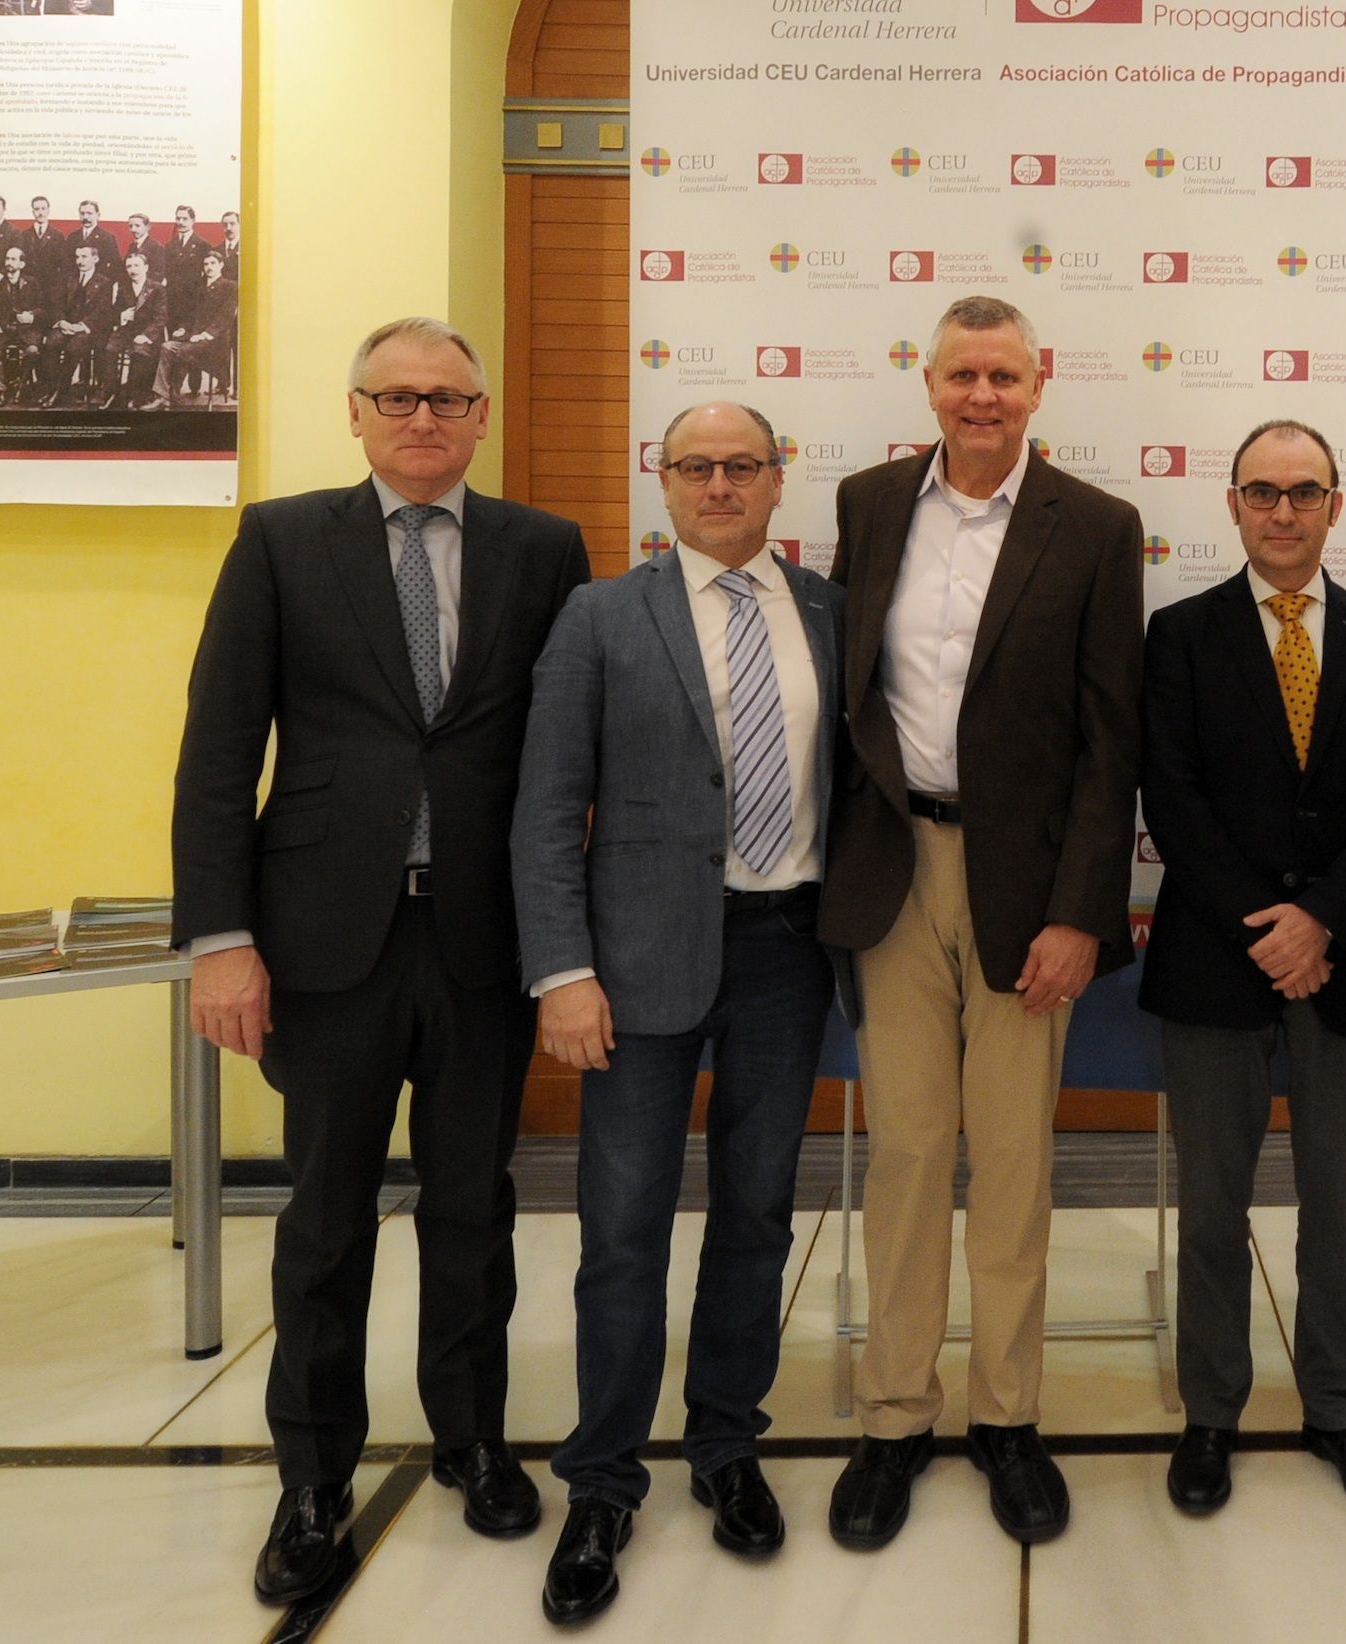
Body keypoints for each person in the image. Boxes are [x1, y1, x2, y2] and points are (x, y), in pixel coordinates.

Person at [171, 316, 589, 1607]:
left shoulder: (543, 549)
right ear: (353, 412)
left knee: (474, 1210)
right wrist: (222, 941)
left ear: (479, 418)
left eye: (448, 400)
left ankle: (469, 1437)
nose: (423, 420)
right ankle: (313, 1477)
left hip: (480, 940)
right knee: (326, 1221)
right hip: (323, 945)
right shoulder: (283, 541)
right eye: (397, 398)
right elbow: (219, 747)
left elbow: (568, 747)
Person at [511, 401, 844, 1626]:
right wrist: (561, 971)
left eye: (740, 466)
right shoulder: (600, 616)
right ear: (660, 481)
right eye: (694, 467)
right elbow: (546, 810)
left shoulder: (824, 612)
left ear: (776, 478)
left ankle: (724, 1446)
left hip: (784, 956)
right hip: (634, 966)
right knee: (624, 1231)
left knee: (756, 1217)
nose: (718, 486)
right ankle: (600, 1480)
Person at [820, 294, 1142, 1551]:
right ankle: (893, 1416)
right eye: (961, 374)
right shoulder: (865, 505)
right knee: (905, 1154)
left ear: (1040, 381)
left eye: (1003, 375)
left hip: (1026, 892)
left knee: (1009, 1161)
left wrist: (1079, 914)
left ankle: (1008, 1417)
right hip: (895, 875)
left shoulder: (1096, 526)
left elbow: (1111, 741)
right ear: (926, 380)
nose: (982, 397)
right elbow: (848, 694)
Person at [1138, 418, 1346, 1519]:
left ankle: (1339, 1408)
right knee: (1211, 1207)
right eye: (1261, 491)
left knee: (1337, 1205)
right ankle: (1208, 1411)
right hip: (1215, 963)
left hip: (1344, 964)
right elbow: (1170, 798)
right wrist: (1268, 927)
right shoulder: (1177, 636)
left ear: (1333, 507)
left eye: (1303, 492)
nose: (1282, 511)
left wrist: (1321, 923)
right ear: (1230, 504)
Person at [158, 250, 237, 405]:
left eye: (213, 263)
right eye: (206, 264)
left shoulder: (230, 287)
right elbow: (190, 315)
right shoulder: (198, 287)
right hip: (193, 339)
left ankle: (171, 394)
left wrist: (205, 334)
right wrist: (183, 328)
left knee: (183, 350)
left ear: (221, 265)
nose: (209, 267)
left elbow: (225, 317)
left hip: (215, 342)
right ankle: (163, 393)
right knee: (167, 347)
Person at [46, 242, 114, 406]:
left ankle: (59, 391)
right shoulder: (68, 278)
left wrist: (81, 325)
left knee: (74, 347)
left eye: (84, 257)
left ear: (95, 259)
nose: (80, 261)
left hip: (88, 329)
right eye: (77, 257)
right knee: (50, 343)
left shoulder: (105, 282)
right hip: (66, 325)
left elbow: (102, 311)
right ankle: (51, 387)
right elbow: (57, 304)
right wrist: (62, 322)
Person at [0, 243, 46, 405]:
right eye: (7, 259)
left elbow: (44, 308)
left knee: (32, 351)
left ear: (22, 264)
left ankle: (20, 384)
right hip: (4, 328)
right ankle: (1, 389)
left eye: (13, 259)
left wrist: (31, 315)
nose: (8, 262)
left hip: (26, 329)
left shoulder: (32, 282)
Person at [109, 251, 166, 408]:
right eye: (129, 266)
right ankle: (113, 393)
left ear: (146, 267)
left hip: (148, 334)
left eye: (136, 265)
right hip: (127, 332)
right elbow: (113, 313)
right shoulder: (123, 287)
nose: (132, 270)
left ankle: (137, 395)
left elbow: (161, 318)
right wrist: (122, 315)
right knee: (109, 350)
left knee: (140, 350)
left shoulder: (157, 288)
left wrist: (146, 335)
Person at [67, 199, 121, 277]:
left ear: (98, 215)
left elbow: (116, 265)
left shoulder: (107, 238)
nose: (85, 217)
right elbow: (67, 264)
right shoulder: (72, 237)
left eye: (89, 213)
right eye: (82, 213)